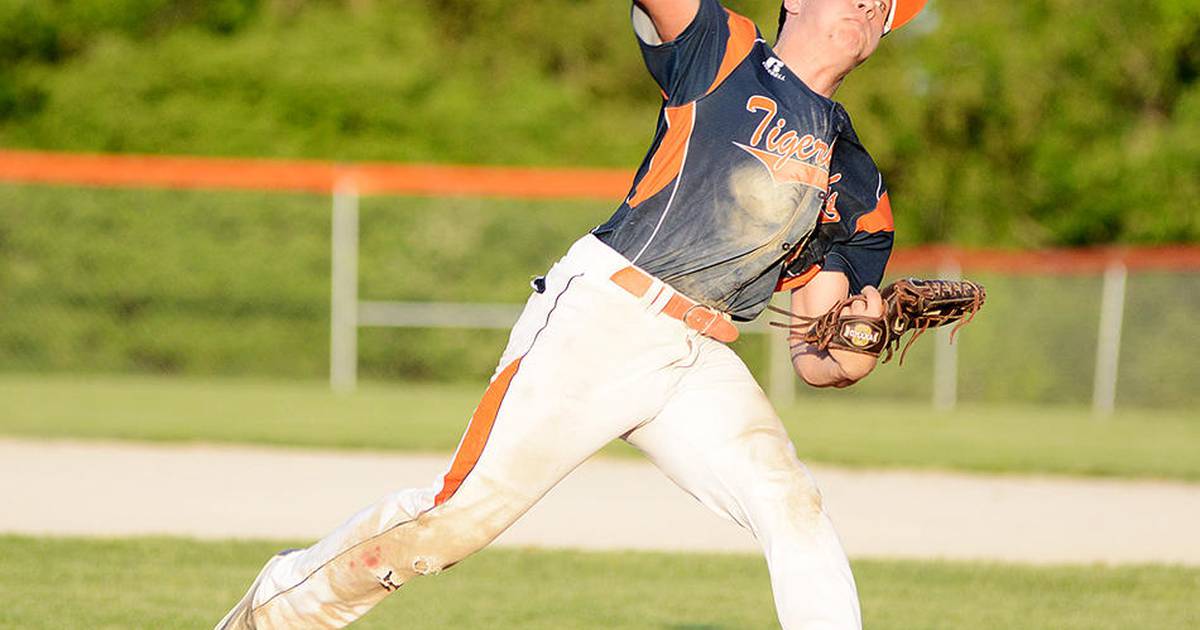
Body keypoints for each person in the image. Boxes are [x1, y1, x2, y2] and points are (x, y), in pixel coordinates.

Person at [216, 0, 927, 628]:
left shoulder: (856, 177)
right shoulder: (725, 50)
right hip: (610, 315)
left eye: (882, 6)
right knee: (457, 520)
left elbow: (821, 356)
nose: (869, 7)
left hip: (700, 354)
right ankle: (280, 608)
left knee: (791, 501)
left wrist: (864, 333)